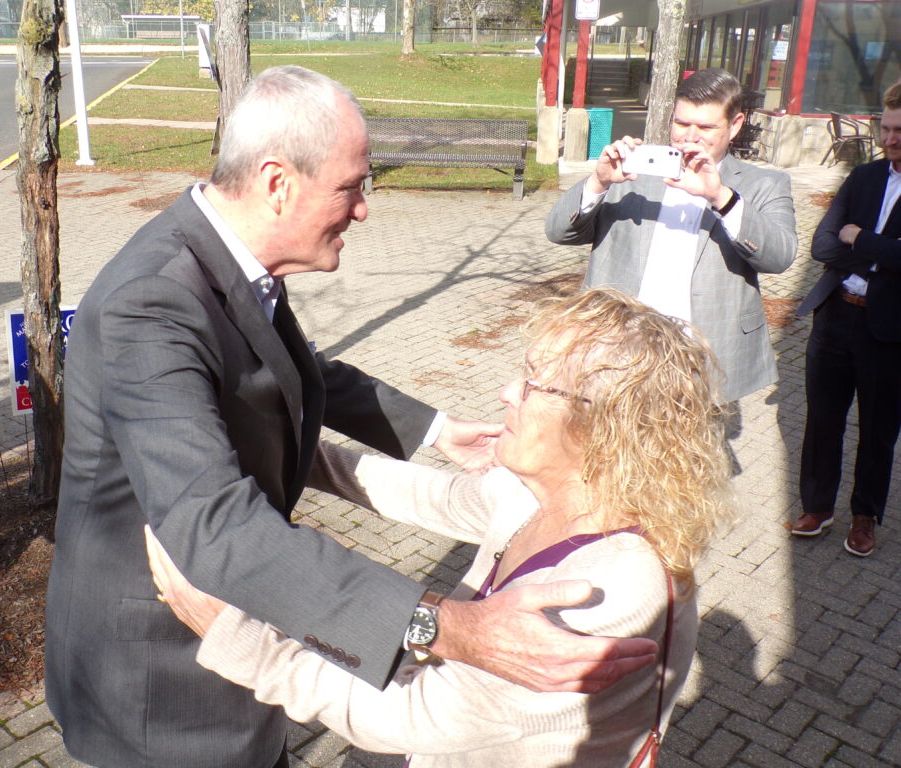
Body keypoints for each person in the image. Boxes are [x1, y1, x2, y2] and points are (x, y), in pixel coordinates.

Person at [45, 66, 657, 768]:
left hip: (233, 625)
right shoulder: (152, 304)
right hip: (162, 683)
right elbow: (215, 526)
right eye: (351, 186)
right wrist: (451, 628)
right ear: (278, 183)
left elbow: (291, 369)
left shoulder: (224, 261)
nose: (363, 209)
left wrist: (434, 430)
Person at [146, 288, 734, 767]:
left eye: (533, 383)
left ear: (605, 426)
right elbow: (422, 493)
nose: (506, 392)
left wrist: (233, 634)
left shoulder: (610, 588)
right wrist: (279, 447)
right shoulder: (531, 494)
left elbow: (409, 713)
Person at [544, 68, 797, 403]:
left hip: (703, 361)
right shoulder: (633, 170)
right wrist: (598, 182)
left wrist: (721, 197)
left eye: (705, 128)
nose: (690, 137)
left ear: (735, 125)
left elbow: (780, 257)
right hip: (618, 350)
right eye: (681, 123)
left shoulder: (764, 184)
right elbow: (558, 231)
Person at [789, 84, 901, 556]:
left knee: (878, 430)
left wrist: (860, 239)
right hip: (835, 316)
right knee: (822, 419)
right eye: (886, 128)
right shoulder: (863, 176)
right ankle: (817, 507)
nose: (890, 139)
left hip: (889, 330)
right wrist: (881, 253)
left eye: (900, 131)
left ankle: (864, 516)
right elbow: (822, 244)